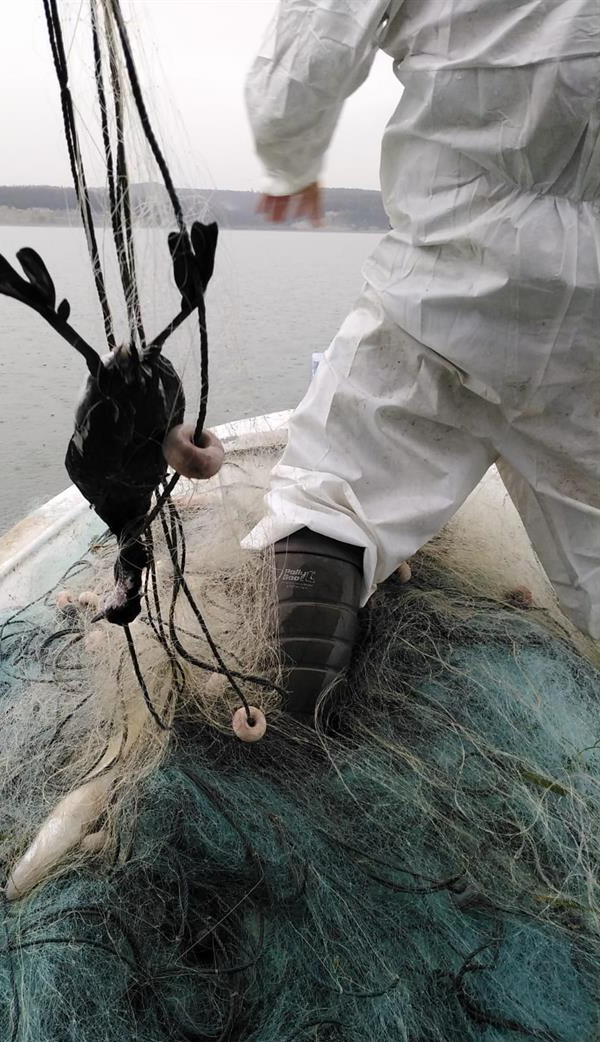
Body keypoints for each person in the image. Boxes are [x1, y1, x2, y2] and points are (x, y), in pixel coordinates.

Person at [243, 0, 600, 718]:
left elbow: (311, 48)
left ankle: (299, 695)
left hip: (446, 281)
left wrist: (290, 159)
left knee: (335, 483)